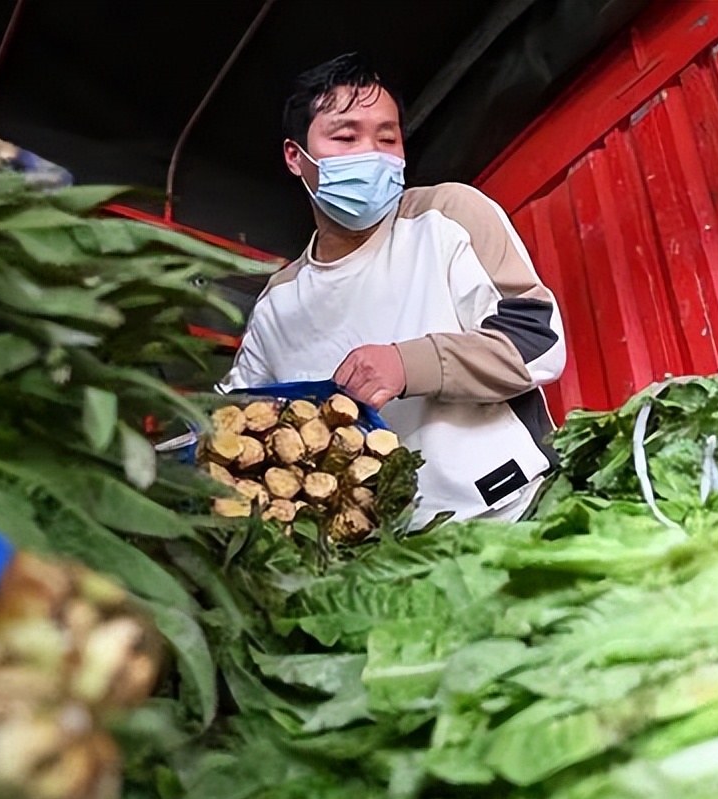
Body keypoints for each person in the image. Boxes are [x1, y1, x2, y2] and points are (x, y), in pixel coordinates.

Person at [220, 53, 566, 526]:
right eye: (346, 137)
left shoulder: (447, 215)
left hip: (510, 510)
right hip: (379, 559)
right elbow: (231, 415)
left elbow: (538, 344)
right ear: (295, 157)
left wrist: (409, 364)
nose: (372, 154)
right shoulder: (278, 304)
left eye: (387, 137)